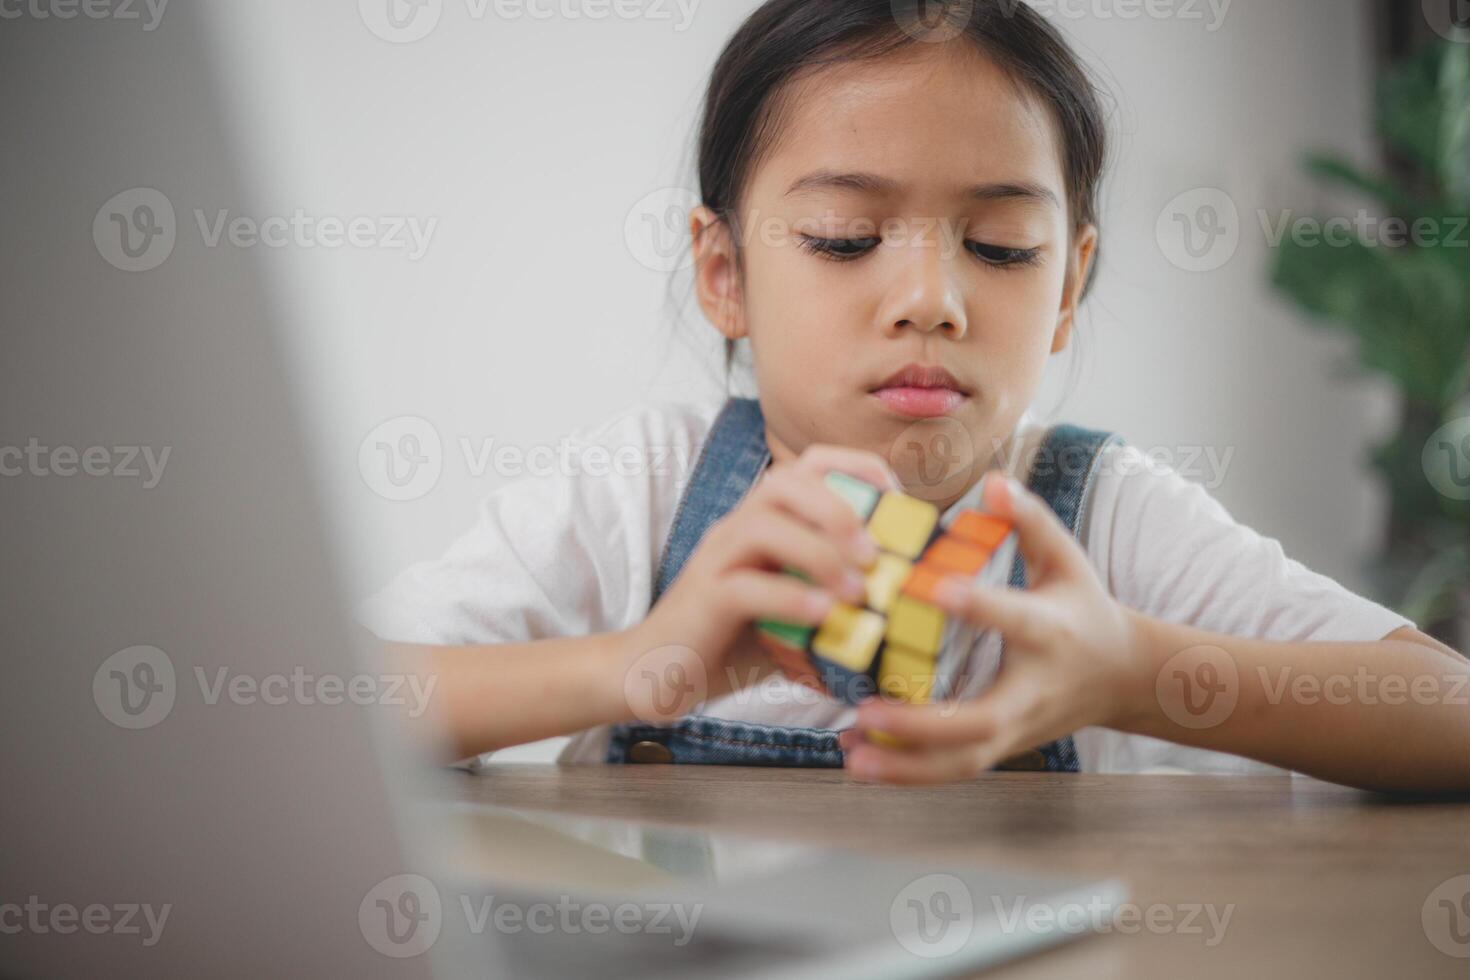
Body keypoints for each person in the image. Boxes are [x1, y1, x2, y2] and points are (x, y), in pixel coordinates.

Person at [359, 0, 1470, 791]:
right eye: (846, 238)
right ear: (724, 273)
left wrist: (1132, 673)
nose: (932, 299)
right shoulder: (642, 492)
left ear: (1070, 283)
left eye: (999, 246)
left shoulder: (1104, 517)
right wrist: (639, 663)